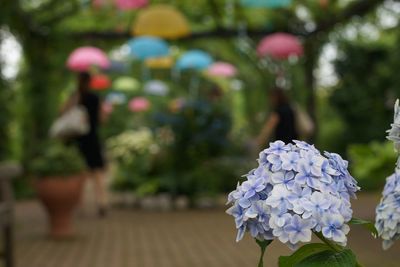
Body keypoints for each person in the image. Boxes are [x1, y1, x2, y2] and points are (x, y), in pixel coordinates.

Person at [62, 72, 108, 217]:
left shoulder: (76, 97)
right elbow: (102, 119)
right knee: (97, 173)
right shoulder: (95, 97)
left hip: (78, 139)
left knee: (80, 173)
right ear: (90, 81)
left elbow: (62, 112)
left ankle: (80, 206)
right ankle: (102, 202)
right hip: (93, 138)